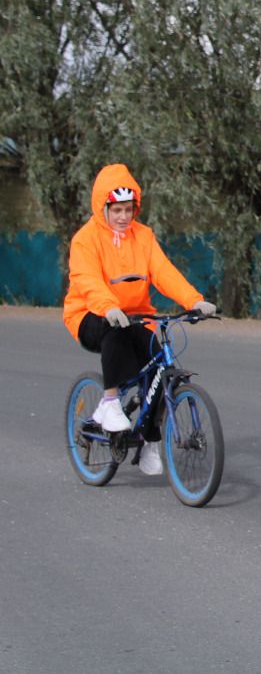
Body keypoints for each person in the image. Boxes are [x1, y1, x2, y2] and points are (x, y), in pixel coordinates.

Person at [62, 163, 217, 475]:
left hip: (136, 317)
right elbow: (88, 279)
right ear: (102, 207)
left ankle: (149, 441)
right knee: (114, 331)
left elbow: (164, 272)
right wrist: (108, 306)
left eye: (128, 209)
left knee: (160, 363)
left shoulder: (143, 237)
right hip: (90, 315)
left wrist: (194, 300)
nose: (123, 217)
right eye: (116, 209)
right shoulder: (85, 239)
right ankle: (108, 402)